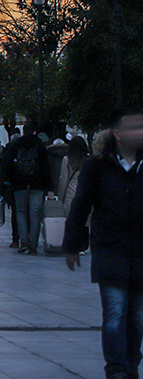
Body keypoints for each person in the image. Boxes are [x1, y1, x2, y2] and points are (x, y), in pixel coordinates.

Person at [65, 110, 143, 379]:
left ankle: (131, 364)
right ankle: (117, 370)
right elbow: (81, 205)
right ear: (118, 134)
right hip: (111, 250)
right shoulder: (97, 166)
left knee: (138, 319)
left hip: (142, 254)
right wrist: (73, 246)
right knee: (115, 314)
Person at [0, 121, 51, 255]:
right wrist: (48, 186)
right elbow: (46, 167)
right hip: (37, 185)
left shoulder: (16, 145)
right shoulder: (40, 145)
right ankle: (33, 245)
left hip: (19, 185)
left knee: (20, 212)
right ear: (34, 132)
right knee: (35, 214)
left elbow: (8, 165)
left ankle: (23, 242)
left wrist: (7, 182)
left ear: (23, 131)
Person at [58, 135, 90, 213]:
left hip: (71, 195)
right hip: (87, 195)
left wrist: (60, 199)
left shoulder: (67, 160)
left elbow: (64, 180)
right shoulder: (90, 161)